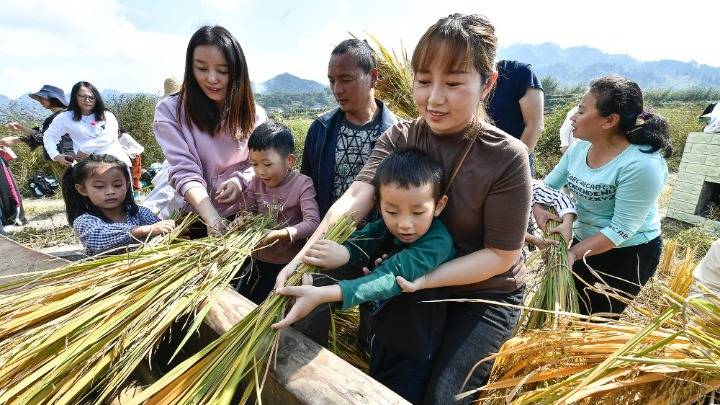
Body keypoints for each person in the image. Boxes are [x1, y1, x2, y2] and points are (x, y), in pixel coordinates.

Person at [275, 14, 531, 404]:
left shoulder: (506, 157)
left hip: (483, 290)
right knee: (390, 381)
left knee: (446, 395)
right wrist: (307, 254)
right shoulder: (402, 135)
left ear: (487, 84)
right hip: (412, 266)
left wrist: (423, 281)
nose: (434, 98)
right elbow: (357, 196)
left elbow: (500, 255)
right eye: (424, 81)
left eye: (454, 83)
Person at [272, 149, 453, 403]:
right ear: (378, 203)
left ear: (439, 205)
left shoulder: (437, 242)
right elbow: (368, 236)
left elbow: (390, 277)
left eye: (417, 212)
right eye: (392, 211)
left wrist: (325, 294)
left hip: (415, 350)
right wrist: (345, 252)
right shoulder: (388, 228)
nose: (404, 224)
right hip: (383, 338)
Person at [535, 75, 671, 316]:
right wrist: (543, 214)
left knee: (595, 321)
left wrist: (573, 253)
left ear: (609, 120)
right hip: (584, 241)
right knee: (567, 310)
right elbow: (548, 189)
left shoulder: (640, 165)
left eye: (581, 110)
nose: (572, 117)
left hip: (627, 253)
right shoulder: (578, 149)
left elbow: (621, 229)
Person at [153, 25, 267, 237]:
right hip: (197, 215)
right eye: (202, 69)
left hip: (245, 216)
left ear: (237, 72)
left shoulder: (254, 114)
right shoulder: (171, 111)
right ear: (190, 68)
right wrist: (211, 217)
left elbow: (258, 163)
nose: (212, 78)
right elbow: (184, 170)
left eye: (222, 71)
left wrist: (239, 181)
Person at [301, 39, 398, 218]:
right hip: (326, 238)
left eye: (346, 79)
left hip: (379, 243)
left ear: (373, 78)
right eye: (332, 81)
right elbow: (306, 191)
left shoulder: (398, 133)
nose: (337, 89)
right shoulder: (320, 129)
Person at [234, 121, 320, 304]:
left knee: (270, 307)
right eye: (254, 164)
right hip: (255, 259)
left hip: (285, 264)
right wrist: (242, 220)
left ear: (289, 161)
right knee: (244, 302)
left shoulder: (302, 184)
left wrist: (279, 234)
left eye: (267, 164)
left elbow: (313, 223)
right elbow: (247, 210)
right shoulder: (256, 182)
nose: (260, 171)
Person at [62, 154, 175, 256]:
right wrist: (143, 230)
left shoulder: (140, 213)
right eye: (100, 187)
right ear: (82, 189)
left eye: (117, 185)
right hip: (108, 274)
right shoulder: (84, 221)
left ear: (127, 185)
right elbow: (97, 238)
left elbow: (161, 232)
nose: (110, 191)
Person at [43, 81, 130, 168]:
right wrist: (56, 156)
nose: (87, 100)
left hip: (115, 163)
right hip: (87, 166)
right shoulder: (65, 117)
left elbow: (108, 137)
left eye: (91, 97)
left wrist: (85, 150)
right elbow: (49, 136)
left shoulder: (107, 115)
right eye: (82, 96)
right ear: (74, 97)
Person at [1, 84, 72, 182]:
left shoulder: (62, 117)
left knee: (73, 191)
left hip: (64, 159)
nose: (40, 101)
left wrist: (16, 139)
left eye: (42, 98)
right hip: (58, 160)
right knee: (69, 190)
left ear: (53, 98)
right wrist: (22, 128)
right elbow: (42, 133)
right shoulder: (55, 117)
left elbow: (44, 137)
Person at [486, 60, 544, 173]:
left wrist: (511, 167)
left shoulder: (520, 73)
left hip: (513, 166)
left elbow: (535, 125)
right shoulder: (467, 76)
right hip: (474, 164)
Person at [117, 126, 145, 191]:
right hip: (122, 160)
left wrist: (129, 153)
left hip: (133, 158)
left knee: (135, 176)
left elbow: (140, 148)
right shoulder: (113, 139)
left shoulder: (125, 136)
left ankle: (136, 193)